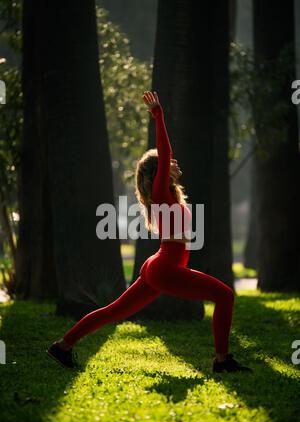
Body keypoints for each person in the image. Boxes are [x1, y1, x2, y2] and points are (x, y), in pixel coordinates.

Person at [47, 91, 252, 373]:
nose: (175, 163)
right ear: (161, 170)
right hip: (166, 267)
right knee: (226, 296)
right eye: (169, 162)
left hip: (159, 266)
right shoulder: (160, 194)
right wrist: (158, 115)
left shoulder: (169, 196)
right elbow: (165, 152)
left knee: (114, 311)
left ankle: (62, 346)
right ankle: (222, 360)